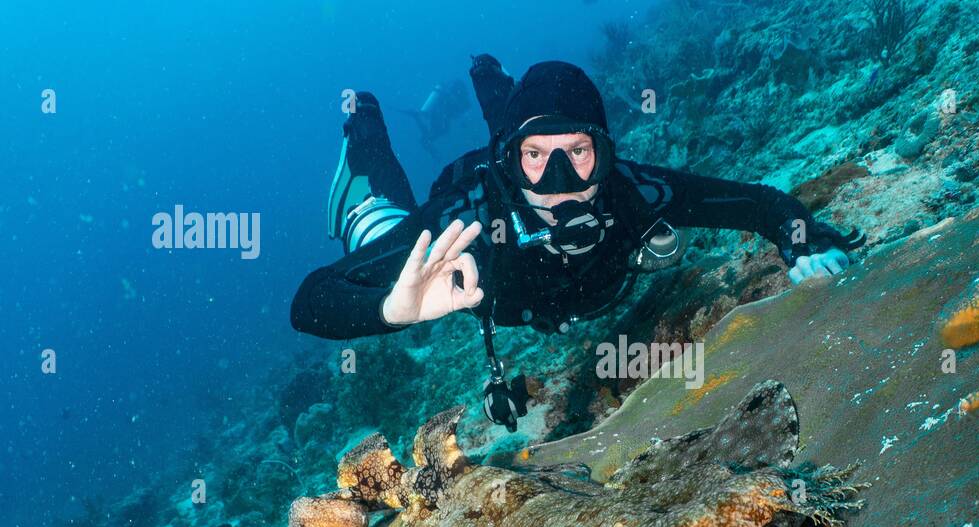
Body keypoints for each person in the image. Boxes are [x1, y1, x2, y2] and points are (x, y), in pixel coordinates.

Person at [292, 56, 862, 431]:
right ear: (511, 164)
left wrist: (802, 241)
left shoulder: (631, 191)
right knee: (376, 220)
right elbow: (312, 299)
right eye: (535, 157)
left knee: (519, 122)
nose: (560, 184)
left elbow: (760, 203)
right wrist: (392, 310)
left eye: (578, 153)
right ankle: (364, 124)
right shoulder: (466, 218)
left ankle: (496, 86)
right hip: (461, 196)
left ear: (604, 153)